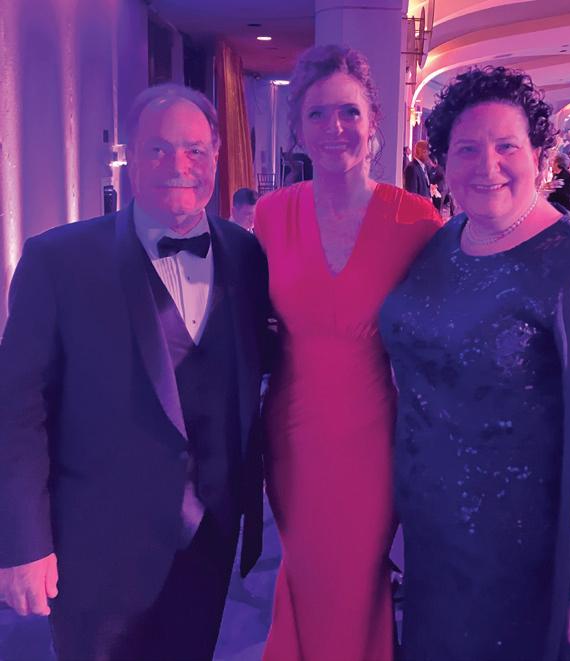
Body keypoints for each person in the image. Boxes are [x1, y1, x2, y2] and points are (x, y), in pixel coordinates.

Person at [379, 65, 570, 660]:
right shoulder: (443, 243)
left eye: (506, 146)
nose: (486, 165)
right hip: (436, 554)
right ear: (442, 162)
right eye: (467, 148)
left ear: (540, 157)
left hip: (532, 565)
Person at [0, 83, 270, 660]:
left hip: (209, 534)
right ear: (131, 160)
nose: (179, 166)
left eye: (195, 150)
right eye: (158, 150)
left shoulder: (246, 255)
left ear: (216, 156)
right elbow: (17, 410)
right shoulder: (59, 260)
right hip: (95, 546)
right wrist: (23, 544)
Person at [254, 44, 441, 661]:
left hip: (373, 442)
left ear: (374, 122)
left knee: (359, 581)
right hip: (292, 438)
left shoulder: (415, 220)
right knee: (304, 574)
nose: (335, 127)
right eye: (317, 113)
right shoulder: (271, 215)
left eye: (349, 112)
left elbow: (445, 328)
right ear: (298, 129)